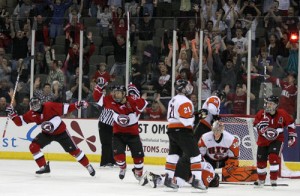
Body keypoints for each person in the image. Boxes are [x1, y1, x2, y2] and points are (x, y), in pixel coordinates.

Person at [5, 97, 95, 176]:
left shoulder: (49, 106)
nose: (35, 105)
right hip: (46, 134)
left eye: (36, 103)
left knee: (74, 151)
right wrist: (13, 114)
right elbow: (19, 122)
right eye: (33, 104)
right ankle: (44, 167)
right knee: (33, 146)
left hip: (61, 132)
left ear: (40, 102)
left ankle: (88, 166)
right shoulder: (31, 114)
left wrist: (78, 104)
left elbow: (66, 108)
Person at [93, 78, 148, 180]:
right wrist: (99, 87)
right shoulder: (110, 100)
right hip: (118, 134)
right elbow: (97, 98)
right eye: (114, 92)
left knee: (139, 158)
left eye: (118, 93)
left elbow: (142, 105)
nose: (115, 95)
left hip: (133, 135)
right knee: (118, 158)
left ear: (124, 94)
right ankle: (123, 167)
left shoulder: (132, 101)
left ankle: (138, 174)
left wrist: (135, 94)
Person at [164, 79, 206, 191]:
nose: (189, 87)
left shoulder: (173, 100)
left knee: (174, 154)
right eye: (186, 86)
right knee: (196, 155)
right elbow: (187, 121)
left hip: (172, 130)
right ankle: (197, 181)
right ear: (182, 88)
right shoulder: (185, 101)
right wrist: (198, 117)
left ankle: (168, 179)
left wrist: (195, 114)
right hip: (182, 131)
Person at [253, 95, 297, 187]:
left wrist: (292, 136)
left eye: (271, 104)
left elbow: (291, 124)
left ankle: (273, 179)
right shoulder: (261, 113)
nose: (268, 105)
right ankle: (261, 179)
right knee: (261, 161)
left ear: (276, 105)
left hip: (277, 139)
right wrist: (261, 129)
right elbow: (255, 125)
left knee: (273, 157)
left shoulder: (282, 113)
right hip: (263, 140)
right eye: (267, 103)